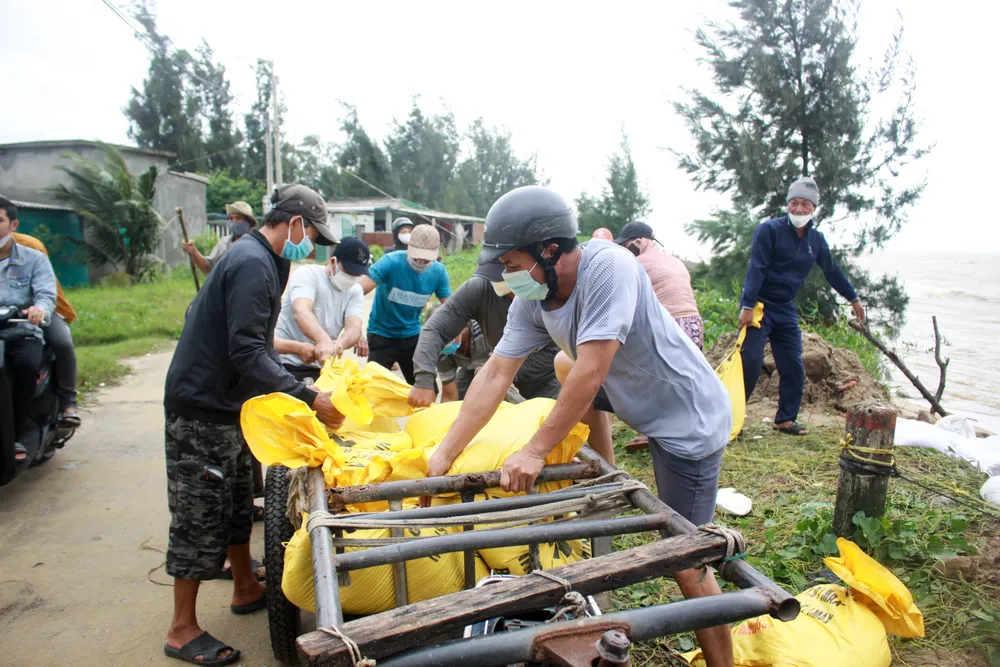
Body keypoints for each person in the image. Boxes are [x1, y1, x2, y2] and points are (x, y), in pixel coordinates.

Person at [425, 186, 735, 666]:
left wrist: (533, 451)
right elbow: (494, 373)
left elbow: (593, 373)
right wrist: (444, 453)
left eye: (511, 263)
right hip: (635, 395)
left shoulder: (610, 267)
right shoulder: (535, 296)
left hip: (685, 419)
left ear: (550, 250)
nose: (506, 276)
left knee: (686, 559)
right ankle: (609, 466)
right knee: (566, 369)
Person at [161, 184, 343, 666]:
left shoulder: (266, 260)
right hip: (201, 408)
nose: (313, 245)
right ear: (294, 222)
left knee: (241, 498)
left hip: (231, 405)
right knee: (201, 515)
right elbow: (244, 350)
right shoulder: (250, 262)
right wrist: (307, 394)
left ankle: (245, 584)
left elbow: (256, 343)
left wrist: (295, 364)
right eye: (312, 234)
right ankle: (181, 628)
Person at [739, 177, 865, 437]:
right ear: (787, 205)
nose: (798, 209)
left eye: (804, 204)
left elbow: (832, 270)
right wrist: (747, 305)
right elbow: (757, 268)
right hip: (760, 306)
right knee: (750, 361)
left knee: (794, 365)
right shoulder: (769, 230)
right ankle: (732, 417)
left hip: (785, 309)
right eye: (793, 203)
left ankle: (785, 420)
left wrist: (853, 299)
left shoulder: (816, 241)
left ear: (813, 208)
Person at [409, 259, 562, 408]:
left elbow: (560, 356)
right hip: (496, 375)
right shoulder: (481, 288)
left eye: (512, 264)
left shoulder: (554, 291)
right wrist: (423, 379)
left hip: (546, 381)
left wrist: (496, 372)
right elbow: (435, 329)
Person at [0, 196, 58, 461]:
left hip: (20, 332)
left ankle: (15, 435)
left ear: (13, 224)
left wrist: (39, 309)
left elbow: (46, 294)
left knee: (25, 366)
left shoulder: (34, 259)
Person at [360, 224, 451, 384]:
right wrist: (355, 330)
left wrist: (453, 338)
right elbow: (357, 291)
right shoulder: (390, 262)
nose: (421, 260)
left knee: (425, 388)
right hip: (381, 335)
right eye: (417, 255)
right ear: (409, 247)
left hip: (413, 336)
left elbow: (452, 309)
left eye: (426, 257)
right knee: (372, 390)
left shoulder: (438, 272)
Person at [12, 226, 81, 427]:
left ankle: (68, 403)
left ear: (13, 224)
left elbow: (45, 288)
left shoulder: (30, 248)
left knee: (62, 342)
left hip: (34, 312)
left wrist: (40, 308)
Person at [274, 237, 370, 381]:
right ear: (333, 262)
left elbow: (354, 327)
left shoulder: (354, 290)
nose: (353, 278)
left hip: (321, 367)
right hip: (285, 362)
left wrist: (339, 344)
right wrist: (323, 340)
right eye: (349, 272)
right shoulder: (308, 274)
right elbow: (301, 311)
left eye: (358, 274)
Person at [616, 221, 704, 350]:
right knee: (689, 369)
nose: (624, 249)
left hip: (668, 326)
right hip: (694, 325)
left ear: (638, 242)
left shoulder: (637, 263)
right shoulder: (675, 261)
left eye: (625, 245)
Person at [181, 200, 257, 275]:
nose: (234, 222)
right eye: (231, 218)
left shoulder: (256, 244)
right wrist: (193, 251)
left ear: (249, 222)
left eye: (238, 218)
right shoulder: (224, 243)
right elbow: (207, 267)